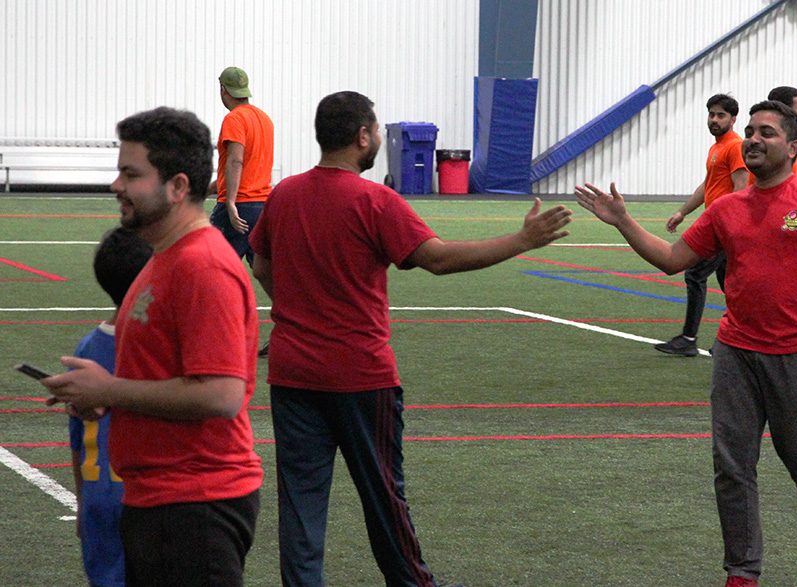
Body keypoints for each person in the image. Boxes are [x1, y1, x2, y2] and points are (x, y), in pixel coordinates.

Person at [575, 100, 797, 587]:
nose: (753, 139)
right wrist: (624, 221)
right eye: (750, 131)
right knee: (732, 468)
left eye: (767, 133)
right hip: (735, 353)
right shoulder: (727, 209)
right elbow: (672, 259)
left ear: (792, 147)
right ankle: (743, 572)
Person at [248, 91, 572, 587]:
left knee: (300, 506)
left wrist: (296, 306)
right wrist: (522, 240)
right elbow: (438, 258)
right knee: (384, 501)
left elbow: (262, 261)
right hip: (361, 376)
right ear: (362, 137)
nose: (378, 137)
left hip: (293, 375)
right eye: (375, 130)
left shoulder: (286, 194)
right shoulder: (376, 201)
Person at [41, 106, 264, 587]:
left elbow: (222, 395)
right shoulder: (162, 260)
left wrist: (112, 391)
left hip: (196, 506)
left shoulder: (203, 267)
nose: (116, 185)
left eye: (131, 173)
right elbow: (161, 375)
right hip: (157, 501)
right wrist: (98, 395)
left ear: (178, 187)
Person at [68, 226, 152, 587]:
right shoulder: (152, 347)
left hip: (97, 499)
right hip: (143, 499)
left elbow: (76, 439)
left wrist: (82, 501)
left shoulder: (87, 348)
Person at [654, 93, 748, 357]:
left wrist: (727, 225)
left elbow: (740, 190)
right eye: (711, 114)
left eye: (720, 115)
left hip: (723, 227)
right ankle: (737, 339)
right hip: (717, 223)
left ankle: (688, 338)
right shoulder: (717, 147)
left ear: (733, 119)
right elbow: (708, 185)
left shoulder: (735, 146)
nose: (714, 120)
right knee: (732, 285)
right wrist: (682, 212)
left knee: (695, 274)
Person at [211, 66, 274, 265]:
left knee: (213, 266)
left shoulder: (234, 119)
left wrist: (229, 203)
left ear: (223, 89)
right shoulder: (265, 120)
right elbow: (248, 167)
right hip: (262, 207)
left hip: (238, 206)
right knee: (264, 271)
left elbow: (236, 161)